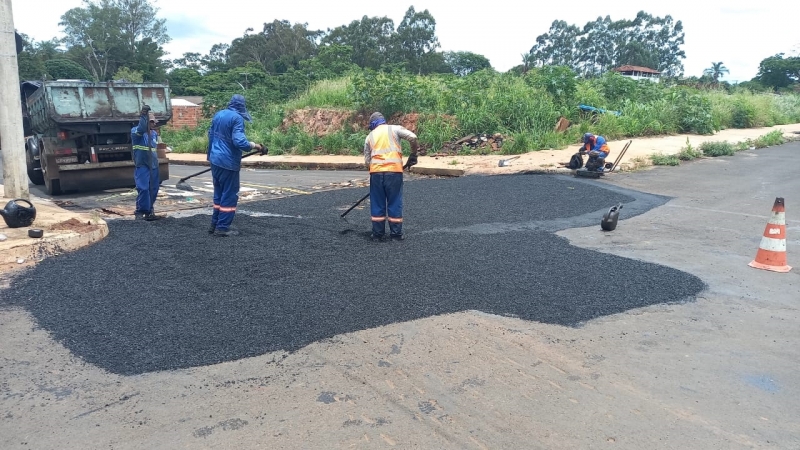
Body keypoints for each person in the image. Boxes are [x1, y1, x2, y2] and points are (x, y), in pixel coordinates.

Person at [207, 94, 266, 237]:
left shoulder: (219, 114)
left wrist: (210, 155)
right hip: (228, 162)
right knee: (229, 194)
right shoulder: (237, 118)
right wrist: (256, 146)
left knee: (218, 193)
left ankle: (214, 223)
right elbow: (239, 142)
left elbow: (211, 135)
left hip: (215, 160)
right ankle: (223, 227)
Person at [363, 112, 419, 241]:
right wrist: (413, 154)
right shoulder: (395, 129)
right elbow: (413, 137)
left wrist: (375, 174)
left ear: (373, 125)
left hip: (376, 173)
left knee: (377, 203)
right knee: (394, 202)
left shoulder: (369, 137)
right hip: (394, 173)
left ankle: (377, 235)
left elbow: (367, 161)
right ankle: (396, 235)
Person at [131, 105, 161, 221]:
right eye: (151, 122)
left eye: (154, 122)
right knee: (143, 188)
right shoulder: (136, 132)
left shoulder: (153, 134)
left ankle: (149, 210)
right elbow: (142, 128)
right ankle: (141, 211)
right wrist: (144, 115)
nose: (154, 124)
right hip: (142, 164)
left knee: (153, 188)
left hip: (153, 165)